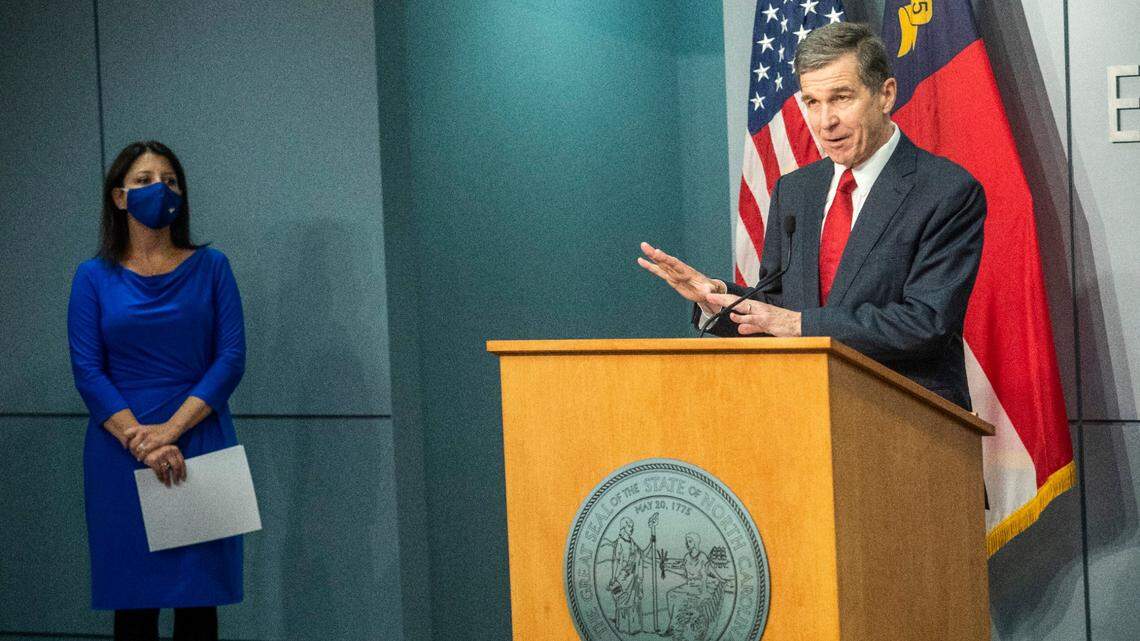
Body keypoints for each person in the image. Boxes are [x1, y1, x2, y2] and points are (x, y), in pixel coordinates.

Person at [638, 23, 985, 410]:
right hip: (807, 415)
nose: (825, 121)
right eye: (812, 102)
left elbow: (926, 322)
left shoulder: (945, 191)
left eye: (841, 98)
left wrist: (799, 326)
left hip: (907, 421)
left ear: (885, 94)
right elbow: (775, 306)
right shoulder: (795, 190)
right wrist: (718, 298)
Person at [67, 141, 246, 640]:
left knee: (198, 604)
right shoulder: (92, 277)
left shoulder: (213, 267)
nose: (159, 189)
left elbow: (230, 359)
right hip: (120, 451)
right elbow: (87, 370)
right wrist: (139, 441)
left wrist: (168, 432)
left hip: (198, 441)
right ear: (119, 197)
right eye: (144, 180)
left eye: (169, 180)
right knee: (135, 606)